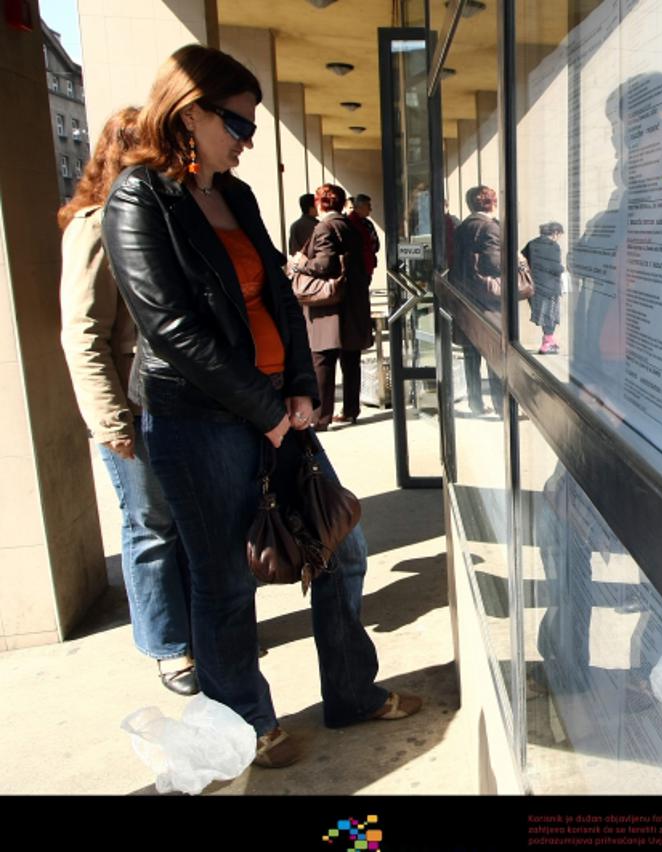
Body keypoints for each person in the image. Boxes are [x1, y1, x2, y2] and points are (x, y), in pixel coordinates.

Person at [101, 44, 420, 770]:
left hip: (279, 408)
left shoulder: (236, 195)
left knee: (341, 545)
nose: (248, 141)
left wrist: (302, 387)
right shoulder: (139, 197)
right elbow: (170, 329)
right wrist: (265, 409)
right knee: (223, 579)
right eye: (238, 125)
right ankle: (247, 725)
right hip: (197, 420)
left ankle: (352, 693)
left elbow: (279, 294)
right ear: (189, 110)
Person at [58, 106, 197, 697]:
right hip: (131, 412)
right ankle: (169, 647)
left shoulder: (161, 217)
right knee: (151, 527)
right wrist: (112, 421)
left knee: (184, 523)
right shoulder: (94, 225)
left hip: (174, 403)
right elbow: (82, 333)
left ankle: (190, 631)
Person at [288, 183, 373, 428]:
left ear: (319, 202)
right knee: (350, 359)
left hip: (329, 306)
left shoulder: (325, 227)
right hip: (352, 303)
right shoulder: (351, 226)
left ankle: (321, 417)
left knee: (322, 360)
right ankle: (350, 410)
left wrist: (299, 265)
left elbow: (324, 264)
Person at [449, 185, 503, 415]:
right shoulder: (490, 227)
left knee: (471, 354)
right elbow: (495, 263)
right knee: (495, 354)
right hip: (487, 300)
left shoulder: (462, 227)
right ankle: (501, 406)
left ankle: (476, 403)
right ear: (492, 202)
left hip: (466, 298)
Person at [522, 221, 565, 354]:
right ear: (555, 233)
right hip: (550, 287)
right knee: (551, 315)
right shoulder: (554, 246)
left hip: (534, 286)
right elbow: (555, 268)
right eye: (559, 235)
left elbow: (523, 259)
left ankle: (549, 341)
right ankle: (547, 343)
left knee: (543, 315)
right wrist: (562, 268)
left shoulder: (531, 243)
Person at [348, 193, 380, 280]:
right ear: (358, 208)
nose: (370, 209)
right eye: (368, 206)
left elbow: (374, 241)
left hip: (367, 265)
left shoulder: (367, 223)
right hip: (357, 267)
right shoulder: (349, 223)